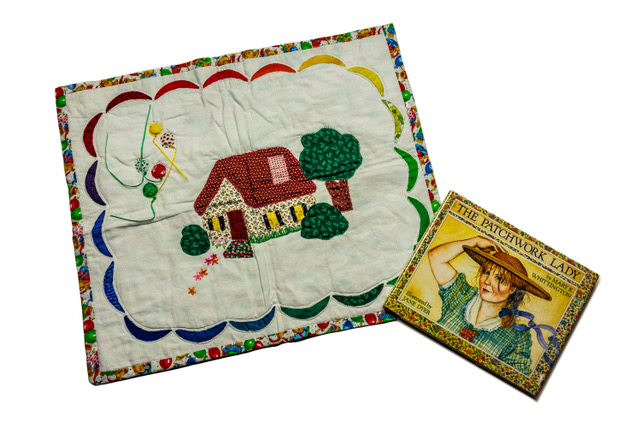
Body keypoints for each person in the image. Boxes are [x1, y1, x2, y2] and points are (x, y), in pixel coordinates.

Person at [427, 235, 552, 375]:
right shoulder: (461, 294)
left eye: (498, 278)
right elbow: (435, 257)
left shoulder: (517, 338)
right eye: (487, 272)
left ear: (512, 289)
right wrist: (473, 241)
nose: (487, 281)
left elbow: (516, 377)